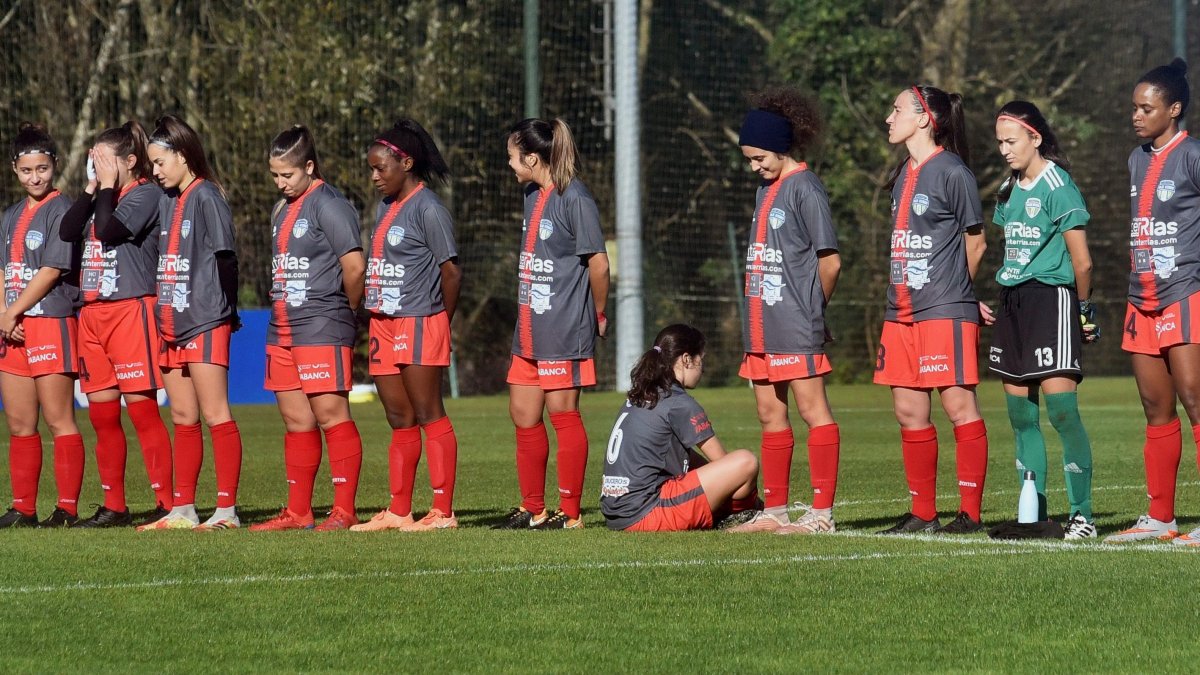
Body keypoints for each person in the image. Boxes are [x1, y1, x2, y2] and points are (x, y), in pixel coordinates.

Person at [726, 86, 842, 535]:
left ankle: (821, 516)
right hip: (761, 326)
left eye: (759, 158)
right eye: (750, 160)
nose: (755, 167)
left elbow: (829, 261)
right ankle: (774, 512)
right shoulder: (765, 189)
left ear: (780, 147)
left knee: (814, 412)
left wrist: (812, 308)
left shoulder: (806, 188)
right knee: (769, 416)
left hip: (794, 324)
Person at [874, 85, 990, 535]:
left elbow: (975, 241)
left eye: (897, 108)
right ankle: (923, 513)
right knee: (908, 410)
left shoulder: (953, 172)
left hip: (942, 309)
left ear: (925, 118)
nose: (889, 116)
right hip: (899, 310)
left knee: (959, 406)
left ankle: (970, 514)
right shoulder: (904, 172)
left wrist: (959, 291)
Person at [985, 101, 1097, 539]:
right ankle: (1036, 515)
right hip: (1012, 303)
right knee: (1020, 416)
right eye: (999, 142)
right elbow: (1009, 247)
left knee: (1062, 412)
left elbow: (1082, 262)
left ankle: (1082, 515)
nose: (1004, 150)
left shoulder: (1059, 185)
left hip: (1051, 301)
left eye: (1011, 141)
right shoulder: (1008, 187)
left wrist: (1083, 310)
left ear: (1035, 137)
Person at [492, 118, 610, 530]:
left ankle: (571, 514)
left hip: (564, 328)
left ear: (533, 158)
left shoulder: (575, 198)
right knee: (523, 413)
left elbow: (599, 263)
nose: (509, 165)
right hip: (528, 328)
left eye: (512, 157)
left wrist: (597, 312)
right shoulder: (531, 194)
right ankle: (532, 508)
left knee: (563, 414)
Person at [58, 121, 176, 528]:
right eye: (94, 159)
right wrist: (93, 187)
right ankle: (115, 505)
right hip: (92, 315)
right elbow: (68, 231)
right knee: (102, 415)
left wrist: (108, 187)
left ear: (128, 161)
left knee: (142, 411)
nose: (98, 166)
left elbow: (109, 231)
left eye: (104, 159)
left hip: (129, 310)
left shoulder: (144, 194)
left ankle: (166, 503)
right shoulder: (101, 196)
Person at [249, 126, 366, 532]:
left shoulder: (330, 205)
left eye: (288, 175)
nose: (281, 183)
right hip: (281, 329)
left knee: (331, 415)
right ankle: (298, 512)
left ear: (310, 167)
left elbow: (354, 267)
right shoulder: (281, 210)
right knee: (296, 420)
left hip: (322, 324)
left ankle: (344, 510)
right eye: (275, 175)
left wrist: (346, 311)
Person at [349, 120, 462, 533]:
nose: (375, 177)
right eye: (372, 169)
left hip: (419, 320)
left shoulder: (429, 208)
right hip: (383, 324)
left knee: (430, 412)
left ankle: (442, 512)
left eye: (381, 168)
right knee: (399, 417)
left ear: (406, 163)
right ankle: (399, 510)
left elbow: (451, 272)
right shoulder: (386, 206)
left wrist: (439, 321)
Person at [1107, 58, 1200, 545]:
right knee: (1154, 405)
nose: (1137, 116)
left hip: (1185, 291)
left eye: (1147, 108)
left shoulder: (1193, 156)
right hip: (1140, 297)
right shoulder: (1136, 159)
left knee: (1194, 399)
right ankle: (1160, 517)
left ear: (1175, 109)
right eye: (1134, 108)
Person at [139, 114, 243, 530]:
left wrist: (228, 310)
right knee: (182, 416)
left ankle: (226, 511)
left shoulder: (207, 197)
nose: (156, 171)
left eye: (161, 162)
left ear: (183, 156)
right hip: (170, 320)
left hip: (203, 318)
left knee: (216, 413)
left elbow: (226, 257)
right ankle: (182, 509)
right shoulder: (167, 200)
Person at [0, 123, 84, 528]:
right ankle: (23, 508)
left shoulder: (63, 210)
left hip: (50, 321)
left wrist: (13, 310)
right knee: (19, 423)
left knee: (58, 419)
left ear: (55, 166)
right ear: (15, 169)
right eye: (27, 170)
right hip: (12, 330)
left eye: (43, 169)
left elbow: (52, 270)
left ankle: (67, 508)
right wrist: (4, 315)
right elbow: (3, 270)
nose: (36, 178)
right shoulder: (10, 216)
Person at [601, 324, 759, 531]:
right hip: (647, 511)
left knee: (702, 464)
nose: (703, 367)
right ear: (686, 359)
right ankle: (742, 516)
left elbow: (686, 459)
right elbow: (725, 463)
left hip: (617, 511)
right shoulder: (679, 402)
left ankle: (742, 513)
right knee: (745, 462)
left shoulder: (643, 394)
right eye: (701, 359)